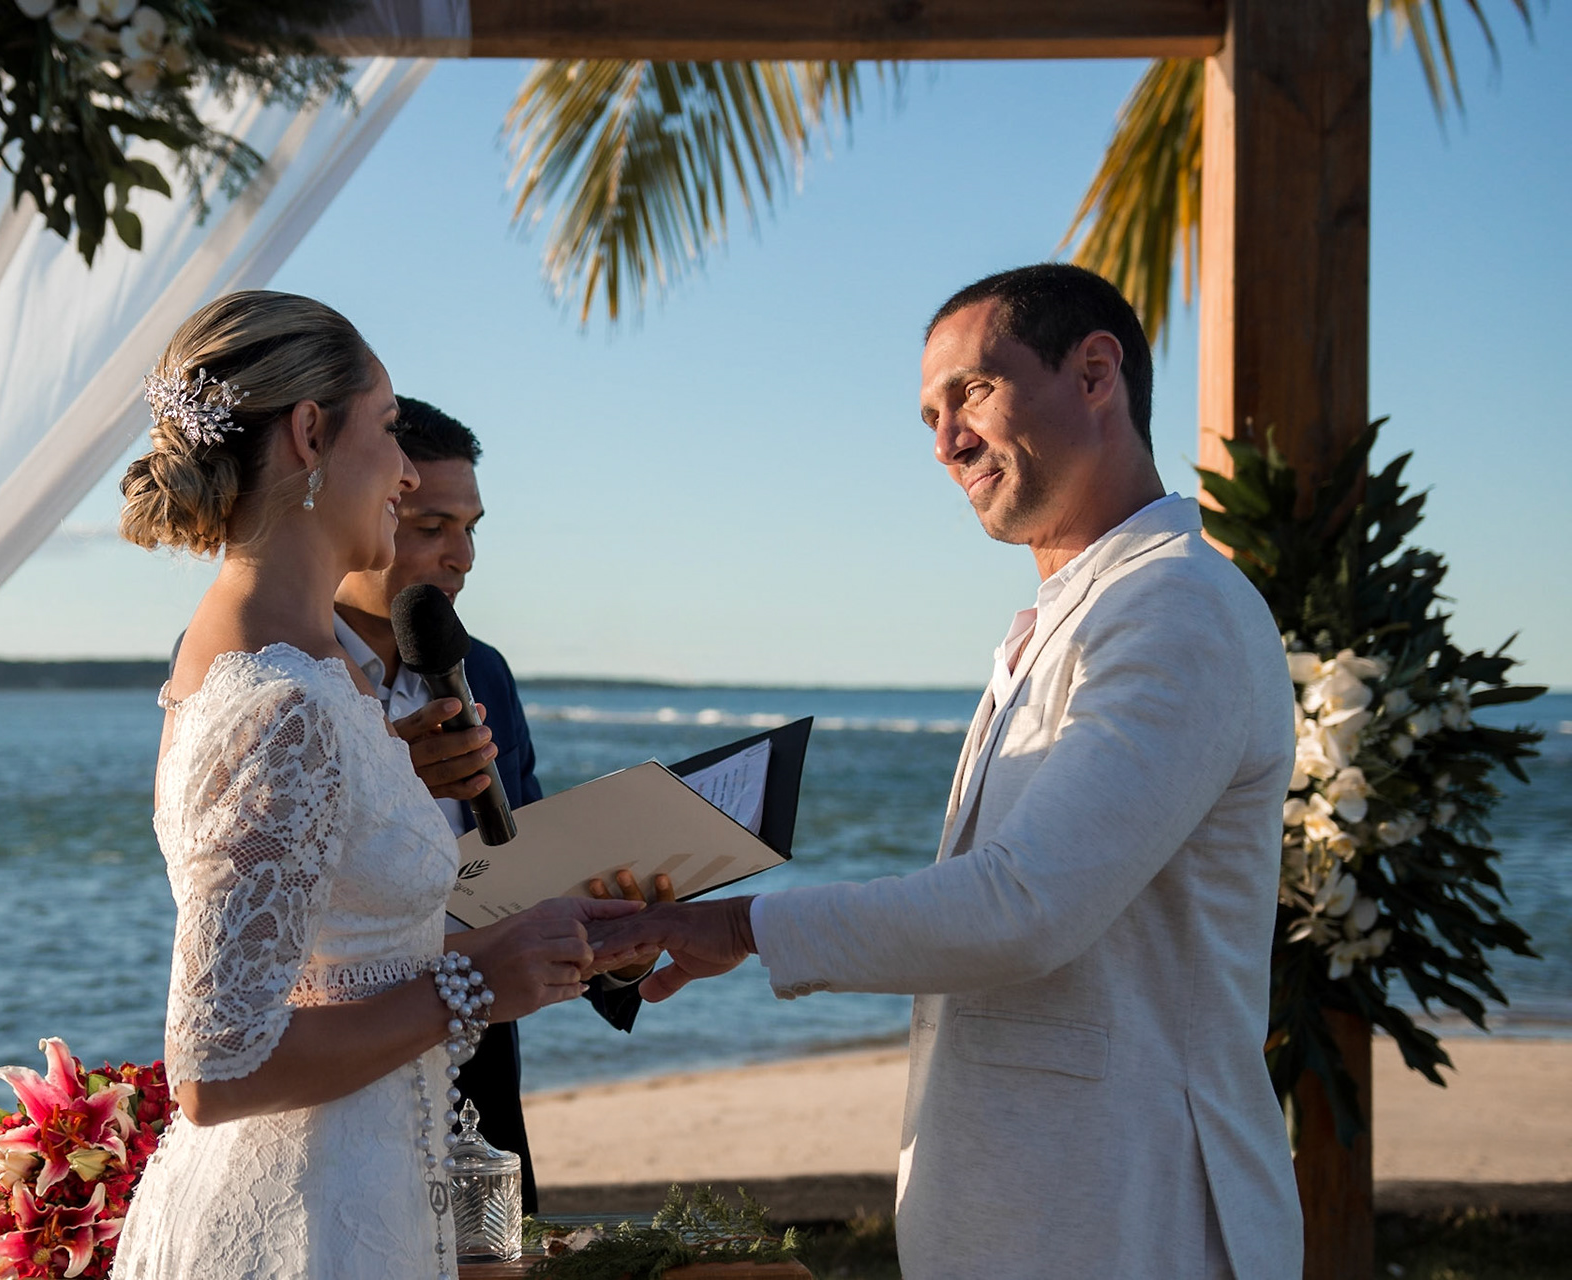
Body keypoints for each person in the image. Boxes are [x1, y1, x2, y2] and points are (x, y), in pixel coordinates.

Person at [591, 264, 1304, 1278]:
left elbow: (1025, 906)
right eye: (931, 416)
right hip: (1041, 1216)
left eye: (971, 392)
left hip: (1134, 1218)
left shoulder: (1176, 607)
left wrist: (743, 927)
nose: (945, 443)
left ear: (1095, 373)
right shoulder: (1071, 617)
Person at [106, 292, 646, 1280]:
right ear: (311, 433)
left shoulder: (293, 668)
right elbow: (216, 1067)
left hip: (374, 1181)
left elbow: (332, 953)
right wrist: (473, 984)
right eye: (390, 430)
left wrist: (527, 940)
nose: (402, 471)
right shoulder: (282, 697)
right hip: (306, 1223)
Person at [330, 396, 671, 1214]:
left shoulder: (482, 669)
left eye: (472, 528)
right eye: (432, 527)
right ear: (358, 509)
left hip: (480, 1080)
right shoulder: (271, 666)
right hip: (336, 1065)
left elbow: (526, 858)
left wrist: (615, 946)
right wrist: (387, 783)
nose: (464, 557)